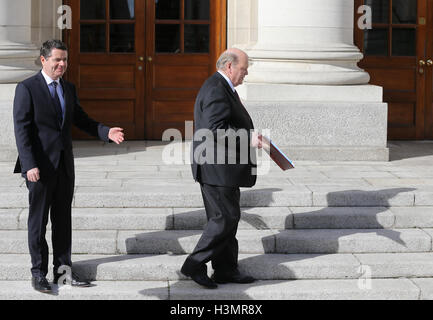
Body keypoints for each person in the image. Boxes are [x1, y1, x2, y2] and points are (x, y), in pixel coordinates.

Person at [13, 39, 125, 294]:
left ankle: (63, 273)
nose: (62, 64)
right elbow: (22, 130)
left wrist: (105, 132)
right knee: (38, 223)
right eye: (57, 60)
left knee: (62, 222)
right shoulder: (27, 88)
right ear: (44, 60)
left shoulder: (68, 88)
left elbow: (81, 119)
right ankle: (38, 273)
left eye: (65, 60)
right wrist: (28, 165)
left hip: (64, 167)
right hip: (39, 169)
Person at [181, 48, 263, 289]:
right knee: (224, 219)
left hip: (223, 168)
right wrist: (247, 139)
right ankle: (194, 264)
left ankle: (226, 270)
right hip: (217, 167)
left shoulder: (221, 86)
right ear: (230, 67)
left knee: (228, 219)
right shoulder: (217, 88)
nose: (245, 75)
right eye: (243, 70)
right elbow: (215, 130)